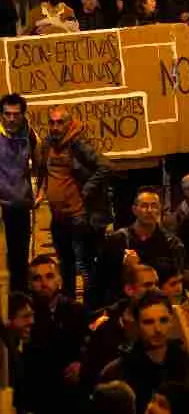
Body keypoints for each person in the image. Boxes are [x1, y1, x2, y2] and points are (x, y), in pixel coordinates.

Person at [38, 104, 111, 302]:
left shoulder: (78, 144)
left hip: (79, 217)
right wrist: (40, 193)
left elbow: (104, 166)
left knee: (85, 266)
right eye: (51, 122)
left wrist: (85, 191)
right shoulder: (47, 145)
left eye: (59, 122)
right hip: (59, 216)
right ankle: (69, 306)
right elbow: (45, 171)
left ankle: (92, 307)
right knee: (65, 264)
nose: (55, 127)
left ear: (69, 124)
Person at [99, 290, 189, 413]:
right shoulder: (116, 372)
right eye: (148, 322)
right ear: (137, 324)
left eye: (163, 320)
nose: (158, 329)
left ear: (171, 321)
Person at [23, 254, 89, 413]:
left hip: (71, 392)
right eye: (37, 278)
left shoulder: (76, 310)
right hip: (38, 392)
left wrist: (81, 363)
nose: (44, 283)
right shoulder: (25, 315)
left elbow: (89, 345)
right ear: (30, 284)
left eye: (49, 276)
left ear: (59, 280)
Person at [98, 188, 185, 306]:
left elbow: (176, 282)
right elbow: (101, 280)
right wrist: (125, 268)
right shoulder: (118, 240)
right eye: (144, 206)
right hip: (124, 304)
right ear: (134, 209)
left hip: (160, 306)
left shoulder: (172, 243)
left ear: (160, 209)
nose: (149, 210)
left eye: (154, 206)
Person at [0, 93, 39, 293]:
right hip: (1, 207)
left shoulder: (29, 135)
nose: (12, 119)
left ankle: (19, 304)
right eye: (7, 114)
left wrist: (40, 193)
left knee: (19, 261)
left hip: (20, 206)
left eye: (16, 114)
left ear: (23, 115)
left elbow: (40, 165)